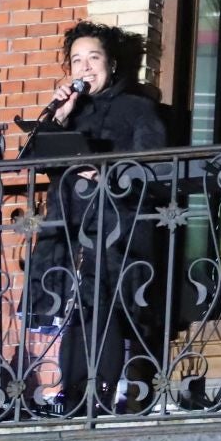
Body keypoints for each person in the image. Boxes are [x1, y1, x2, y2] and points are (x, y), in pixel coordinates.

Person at [23, 21, 167, 415]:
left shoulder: (139, 109)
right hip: (68, 229)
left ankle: (106, 393)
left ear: (112, 64)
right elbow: (33, 163)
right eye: (76, 60)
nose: (84, 67)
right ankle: (67, 395)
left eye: (93, 58)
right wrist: (59, 118)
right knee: (71, 311)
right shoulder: (69, 111)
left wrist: (106, 174)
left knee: (107, 310)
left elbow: (153, 168)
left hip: (117, 229)